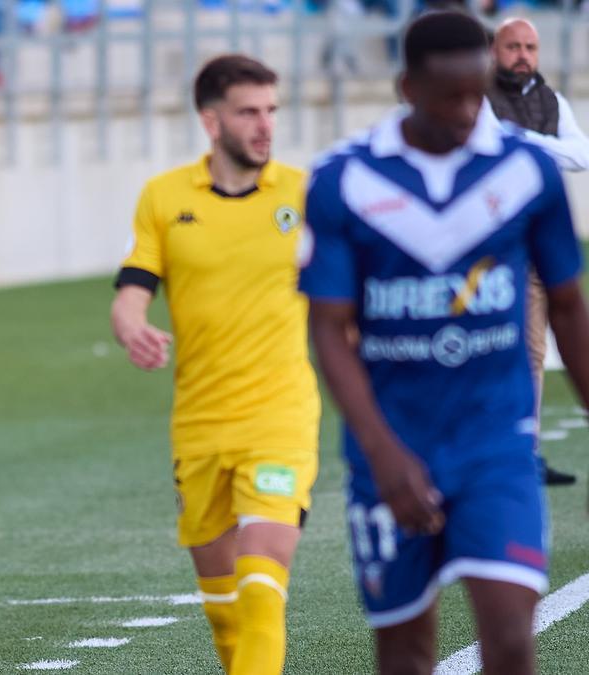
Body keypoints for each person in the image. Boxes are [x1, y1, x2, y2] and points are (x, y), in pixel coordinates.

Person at [301, 11, 589, 674]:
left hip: (497, 443)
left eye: (477, 93)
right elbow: (328, 329)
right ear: (407, 87)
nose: (468, 110)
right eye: (451, 95)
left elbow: (570, 306)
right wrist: (382, 451)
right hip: (391, 446)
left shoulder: (525, 172)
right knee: (404, 653)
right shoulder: (346, 181)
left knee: (513, 635)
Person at [110, 55, 320, 675]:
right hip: (199, 424)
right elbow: (132, 290)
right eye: (249, 112)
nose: (264, 126)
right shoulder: (165, 197)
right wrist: (132, 328)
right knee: (224, 610)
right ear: (211, 120)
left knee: (261, 592)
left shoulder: (304, 195)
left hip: (280, 419)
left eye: (271, 111)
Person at [486, 16, 589, 486]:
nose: (523, 55)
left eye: (530, 46)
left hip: (539, 243)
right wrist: (545, 147)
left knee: (533, 352)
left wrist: (527, 141)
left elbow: (582, 155)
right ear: (494, 50)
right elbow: (492, 146)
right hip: (494, 248)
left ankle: (523, 450)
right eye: (513, 46)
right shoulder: (479, 96)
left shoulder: (551, 100)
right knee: (499, 352)